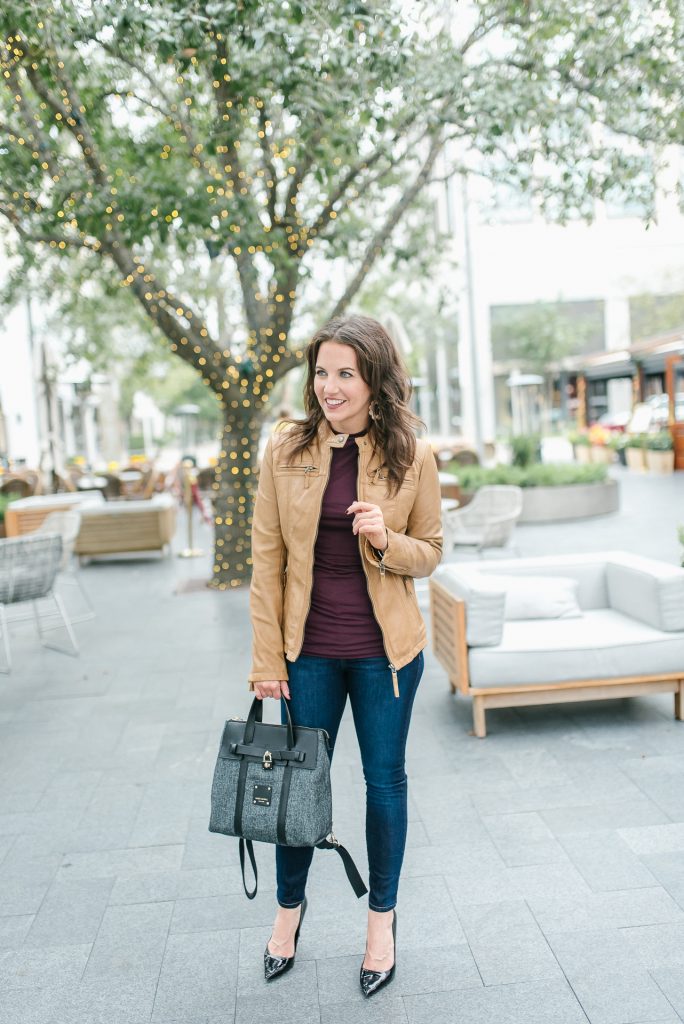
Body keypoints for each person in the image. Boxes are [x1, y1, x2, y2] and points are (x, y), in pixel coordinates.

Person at [248, 314, 442, 996]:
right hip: (308, 655)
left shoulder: (412, 453)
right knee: (300, 787)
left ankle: (381, 923)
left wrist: (387, 539)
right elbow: (265, 560)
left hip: (386, 657)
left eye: (345, 374)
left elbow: (432, 553)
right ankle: (287, 913)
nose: (329, 387)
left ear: (374, 380)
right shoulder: (286, 449)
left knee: (384, 783)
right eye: (321, 372)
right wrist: (267, 659)